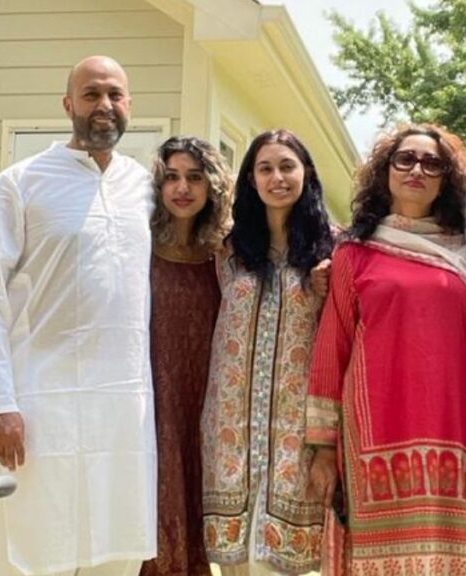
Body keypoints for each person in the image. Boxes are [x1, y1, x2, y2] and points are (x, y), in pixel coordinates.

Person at [0, 56, 156, 576]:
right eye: (91, 95)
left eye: (115, 95)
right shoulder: (19, 184)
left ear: (130, 105)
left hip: (122, 411)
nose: (104, 106)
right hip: (37, 409)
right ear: (68, 104)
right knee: (32, 551)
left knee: (115, 554)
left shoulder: (144, 188)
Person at [306, 124, 466, 575]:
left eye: (431, 162)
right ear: (385, 172)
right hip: (375, 436)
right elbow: (333, 346)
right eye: (404, 159)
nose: (416, 170)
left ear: (447, 178)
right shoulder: (355, 254)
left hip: (457, 432)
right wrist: (323, 449)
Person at [201, 130, 334, 575]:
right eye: (265, 168)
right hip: (231, 430)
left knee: (282, 567)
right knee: (236, 565)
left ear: (306, 173)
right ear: (251, 179)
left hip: (297, 432)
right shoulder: (228, 249)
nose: (277, 177)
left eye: (287, 166)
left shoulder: (333, 251)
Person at [141, 136, 232, 576]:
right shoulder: (138, 248)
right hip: (151, 401)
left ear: (212, 186)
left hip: (206, 406)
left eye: (195, 178)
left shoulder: (227, 254)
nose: (183, 188)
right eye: (172, 177)